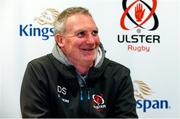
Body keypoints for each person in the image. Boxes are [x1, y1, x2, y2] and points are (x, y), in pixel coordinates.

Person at [20, 6, 138, 118]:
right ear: (60, 40)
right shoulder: (39, 71)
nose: (91, 41)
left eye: (94, 33)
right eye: (81, 34)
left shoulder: (119, 74)